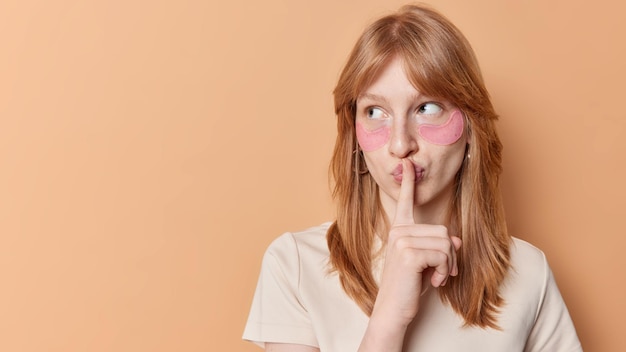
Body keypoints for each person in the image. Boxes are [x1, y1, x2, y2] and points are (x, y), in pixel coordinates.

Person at [243, 4, 582, 352]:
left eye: (427, 108)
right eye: (375, 112)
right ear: (354, 136)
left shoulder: (528, 273)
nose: (401, 144)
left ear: (470, 129)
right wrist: (388, 318)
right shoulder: (296, 265)